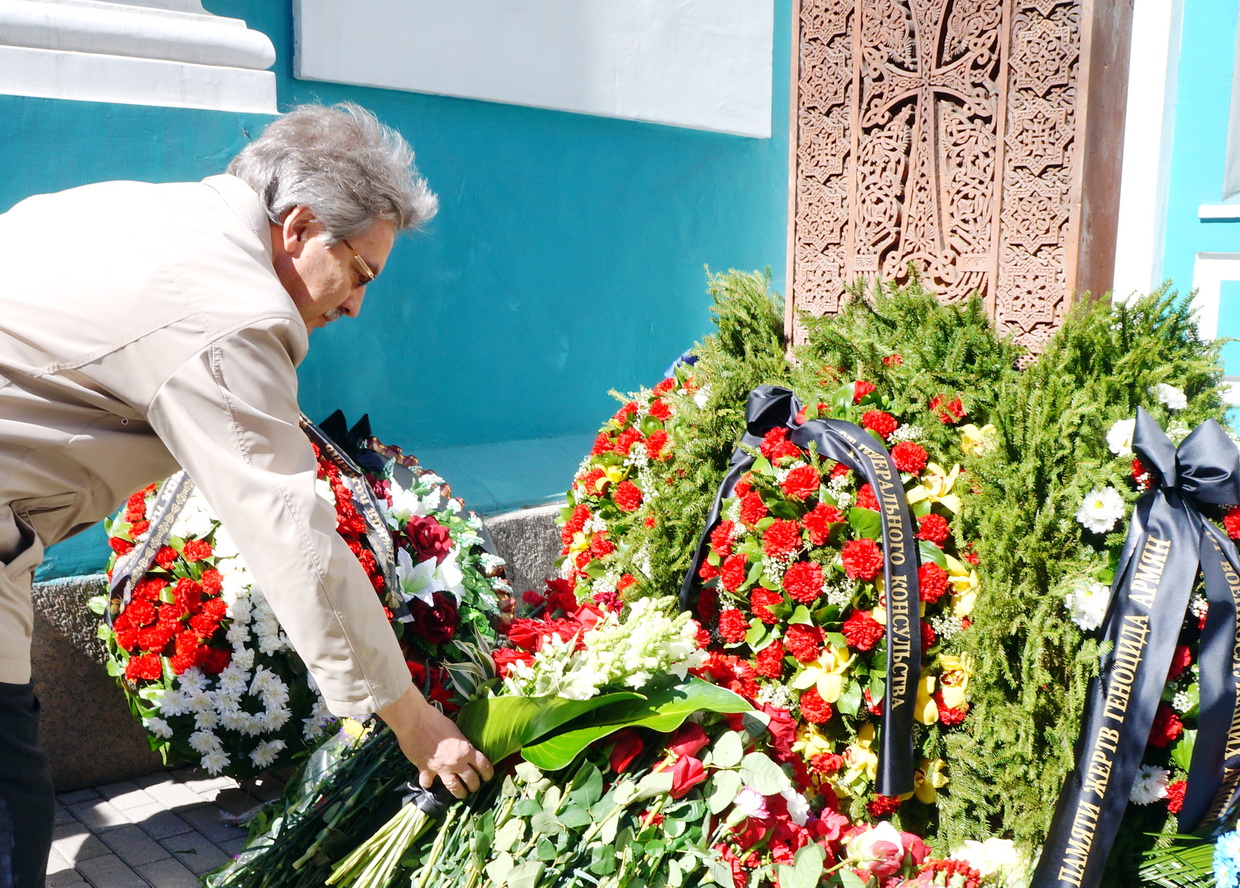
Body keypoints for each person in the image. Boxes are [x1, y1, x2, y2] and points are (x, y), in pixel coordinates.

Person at [0, 102, 493, 887]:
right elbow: (287, 529)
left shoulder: (158, 213)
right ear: (297, 227)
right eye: (360, 272)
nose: (358, 304)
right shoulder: (228, 309)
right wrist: (411, 719)